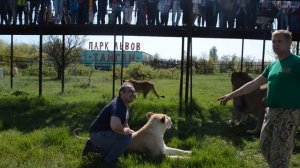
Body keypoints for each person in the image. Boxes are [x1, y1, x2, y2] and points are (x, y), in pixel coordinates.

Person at [217, 29, 300, 168]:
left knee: (280, 153)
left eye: (280, 41)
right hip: (271, 112)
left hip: (288, 114)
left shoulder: (296, 62)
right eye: (273, 41)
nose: (275, 44)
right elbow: (253, 84)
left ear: (289, 43)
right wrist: (230, 95)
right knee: (264, 145)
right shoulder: (273, 66)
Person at [87, 82, 136, 164]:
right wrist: (126, 131)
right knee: (126, 138)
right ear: (122, 93)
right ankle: (109, 161)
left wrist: (129, 130)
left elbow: (124, 122)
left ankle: (93, 147)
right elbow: (115, 126)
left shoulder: (124, 104)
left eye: (134, 92)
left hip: (103, 133)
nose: (133, 94)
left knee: (126, 136)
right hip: (97, 133)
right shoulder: (118, 105)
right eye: (130, 91)